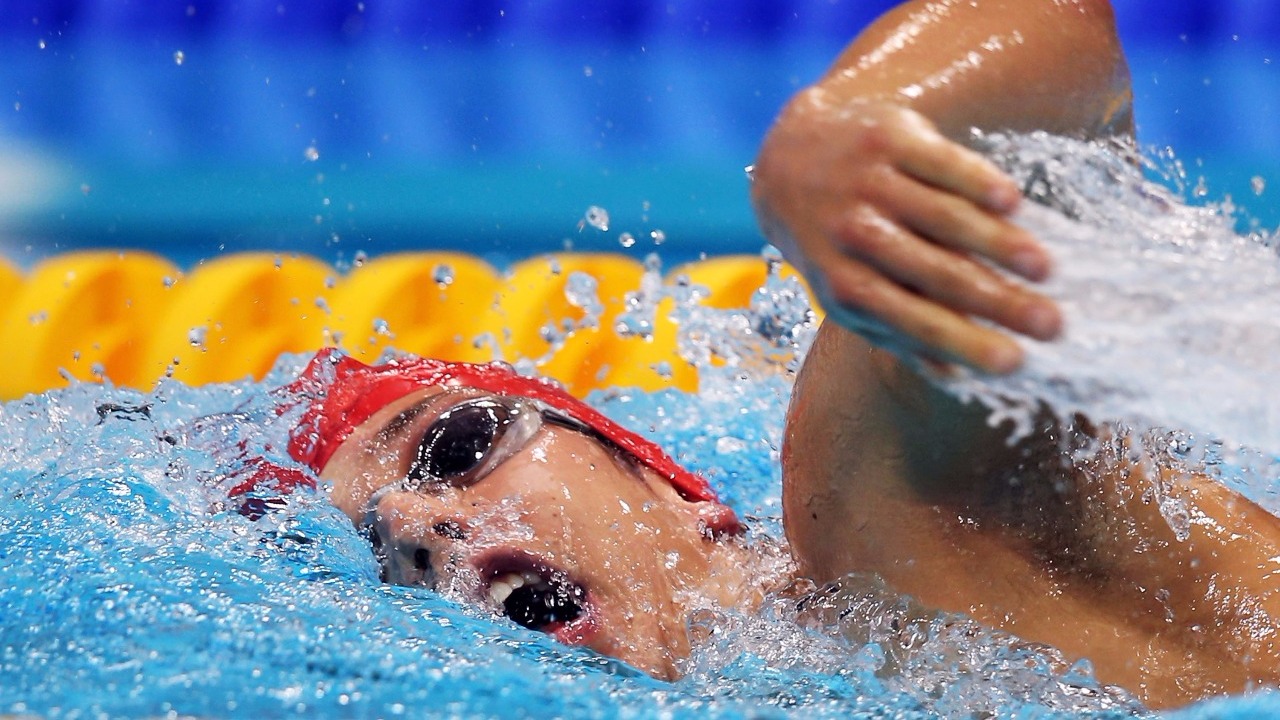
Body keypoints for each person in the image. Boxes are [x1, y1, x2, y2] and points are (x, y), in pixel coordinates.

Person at [278, 0, 1280, 710]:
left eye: (452, 446)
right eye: (370, 546)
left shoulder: (877, 517)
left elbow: (1060, 32)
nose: (409, 524)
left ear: (674, 487)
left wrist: (854, 124)